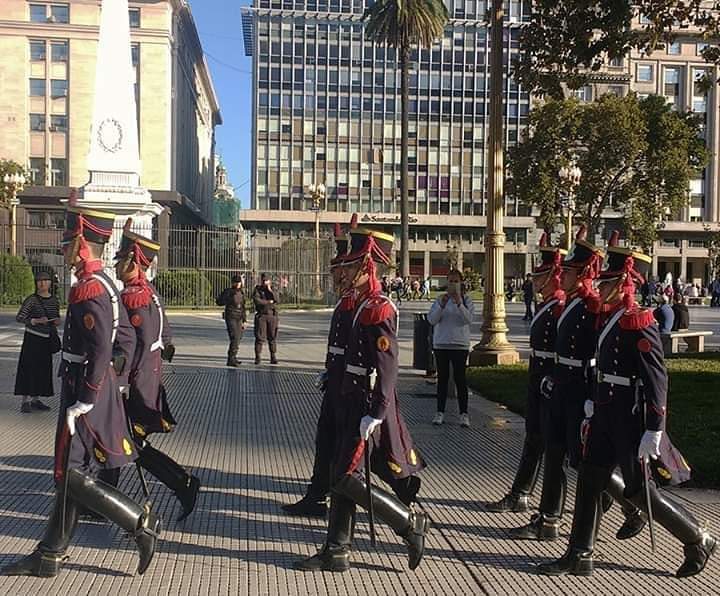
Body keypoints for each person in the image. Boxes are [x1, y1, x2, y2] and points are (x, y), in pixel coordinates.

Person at [538, 232, 716, 578]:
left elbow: (657, 379)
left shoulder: (640, 322)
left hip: (629, 418)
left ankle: (697, 537)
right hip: (604, 409)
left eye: (607, 283)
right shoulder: (609, 318)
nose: (600, 288)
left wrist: (655, 427)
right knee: (591, 480)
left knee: (638, 490)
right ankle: (579, 554)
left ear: (624, 283)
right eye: (600, 281)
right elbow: (598, 364)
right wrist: (592, 397)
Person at [2, 206, 160, 578]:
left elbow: (104, 348)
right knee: (70, 472)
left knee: (70, 472)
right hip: (92, 385)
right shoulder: (102, 283)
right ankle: (50, 553)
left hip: (84, 389)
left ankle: (138, 523)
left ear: (82, 242)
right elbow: (120, 345)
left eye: (67, 241)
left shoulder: (90, 288)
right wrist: (109, 381)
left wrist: (89, 395)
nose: (63, 249)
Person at [295, 224, 427, 573]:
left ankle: (407, 523)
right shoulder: (357, 304)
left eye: (352, 266)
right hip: (345, 398)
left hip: (363, 404)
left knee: (344, 477)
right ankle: (337, 549)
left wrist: (378, 412)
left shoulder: (379, 308)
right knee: (341, 475)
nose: (345, 271)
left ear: (368, 266)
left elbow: (387, 367)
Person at [508, 226, 643, 542]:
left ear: (583, 273)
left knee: (581, 461)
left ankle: (632, 506)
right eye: (562, 271)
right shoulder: (570, 303)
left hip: (577, 390)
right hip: (560, 386)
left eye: (568, 271)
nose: (562, 276)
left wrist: (589, 393)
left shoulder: (589, 306)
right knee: (556, 455)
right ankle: (548, 520)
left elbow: (599, 352)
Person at [114, 221, 200, 521]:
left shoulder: (133, 298)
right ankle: (101, 499)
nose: (116, 267)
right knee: (119, 439)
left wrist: (123, 383)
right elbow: (165, 339)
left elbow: (133, 347)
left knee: (130, 442)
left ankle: (182, 482)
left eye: (121, 262)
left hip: (137, 380)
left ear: (134, 264)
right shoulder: (148, 293)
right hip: (147, 376)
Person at [487, 233, 565, 513]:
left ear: (552, 276)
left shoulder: (560, 307)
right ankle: (521, 493)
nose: (534, 281)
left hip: (550, 378)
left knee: (560, 449)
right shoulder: (547, 305)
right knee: (534, 437)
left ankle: (629, 503)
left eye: (540, 276)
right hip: (538, 374)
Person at [282, 224, 354, 517]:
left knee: (366, 456)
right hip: (335, 382)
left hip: (351, 388)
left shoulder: (359, 303)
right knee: (325, 442)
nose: (334, 276)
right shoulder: (346, 301)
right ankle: (316, 496)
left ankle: (404, 513)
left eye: (338, 270)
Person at [427, 269, 475, 428]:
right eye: (450, 281)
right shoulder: (440, 299)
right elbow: (432, 320)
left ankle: (464, 414)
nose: (453, 284)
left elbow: (468, 319)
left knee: (460, 379)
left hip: (460, 345)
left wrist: (459, 303)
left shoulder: (467, 300)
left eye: (456, 281)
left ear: (461, 283)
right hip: (441, 344)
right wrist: (441, 305)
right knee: (443, 379)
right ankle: (439, 412)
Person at [14, 270, 61, 413]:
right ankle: (25, 401)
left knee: (43, 370)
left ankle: (36, 399)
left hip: (46, 339)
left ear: (50, 283)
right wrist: (34, 321)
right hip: (32, 338)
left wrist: (56, 321)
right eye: (39, 281)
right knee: (28, 368)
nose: (42, 283)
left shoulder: (54, 300)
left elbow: (55, 316)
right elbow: (20, 317)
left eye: (45, 280)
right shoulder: (31, 299)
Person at [216, 274, 247, 367]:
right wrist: (228, 297)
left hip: (239, 317)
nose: (238, 284)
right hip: (231, 317)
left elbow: (243, 307)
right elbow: (219, 302)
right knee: (235, 337)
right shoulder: (228, 291)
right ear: (233, 283)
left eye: (239, 282)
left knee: (239, 337)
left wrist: (244, 320)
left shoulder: (241, 292)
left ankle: (234, 356)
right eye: (236, 282)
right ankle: (231, 359)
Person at [252, 273, 279, 365]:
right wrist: (268, 302)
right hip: (262, 316)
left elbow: (277, 300)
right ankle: (258, 357)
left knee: (272, 337)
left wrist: (270, 291)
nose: (265, 282)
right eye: (263, 280)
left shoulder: (273, 289)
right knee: (260, 337)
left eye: (266, 280)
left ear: (270, 281)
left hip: (272, 316)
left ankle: (273, 356)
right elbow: (257, 301)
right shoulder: (258, 289)